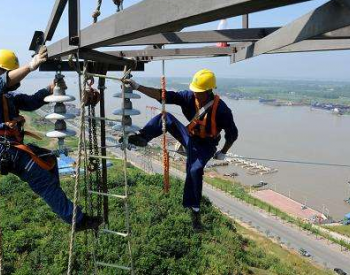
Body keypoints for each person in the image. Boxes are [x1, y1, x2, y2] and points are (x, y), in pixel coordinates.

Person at [123, 69, 238, 230]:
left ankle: (195, 211)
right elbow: (163, 95)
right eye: (195, 91)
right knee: (165, 117)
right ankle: (143, 137)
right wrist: (137, 87)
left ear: (209, 91)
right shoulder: (188, 97)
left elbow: (232, 134)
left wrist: (223, 152)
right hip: (189, 136)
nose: (195, 94)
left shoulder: (222, 110)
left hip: (206, 145)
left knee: (195, 170)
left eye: (199, 92)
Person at [0, 48, 101, 231]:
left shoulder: (8, 97)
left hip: (13, 149)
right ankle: (77, 220)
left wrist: (50, 88)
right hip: (7, 151)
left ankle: (59, 201)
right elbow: (3, 81)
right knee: (41, 180)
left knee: (49, 159)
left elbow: (31, 102)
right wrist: (31, 66)